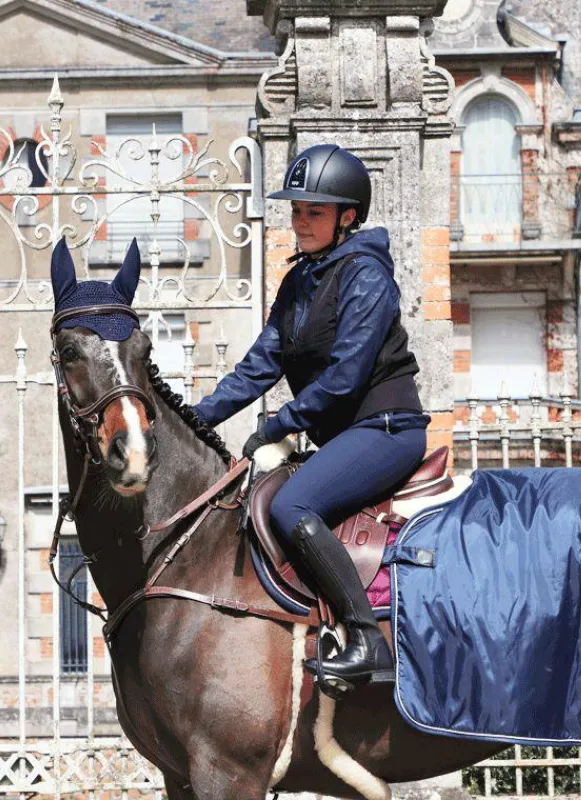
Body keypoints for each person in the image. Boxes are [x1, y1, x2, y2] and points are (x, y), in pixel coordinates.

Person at [194, 144, 430, 686]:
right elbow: (258, 366)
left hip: (386, 429)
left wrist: (278, 424)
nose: (300, 222)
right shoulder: (301, 282)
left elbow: (347, 375)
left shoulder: (367, 277)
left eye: (314, 212)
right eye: (297, 210)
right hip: (347, 435)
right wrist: (193, 417)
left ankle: (369, 641)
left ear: (348, 217)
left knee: (292, 503)